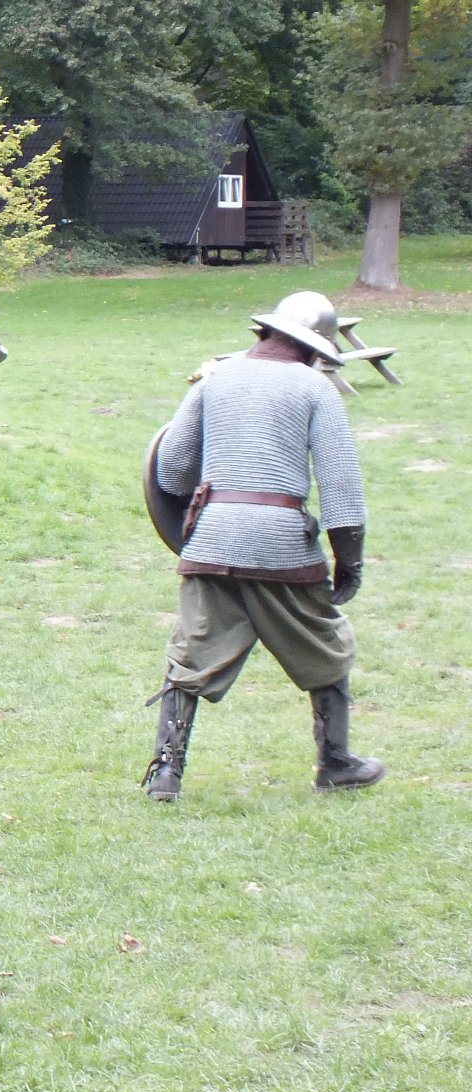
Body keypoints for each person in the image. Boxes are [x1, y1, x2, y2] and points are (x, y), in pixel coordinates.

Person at [142, 290, 380, 802]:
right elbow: (340, 485)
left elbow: (171, 469)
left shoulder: (216, 379)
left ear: (267, 332)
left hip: (212, 541)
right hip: (282, 543)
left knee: (191, 649)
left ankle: (165, 773)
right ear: (313, 347)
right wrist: (350, 561)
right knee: (327, 643)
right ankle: (336, 762)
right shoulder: (316, 389)